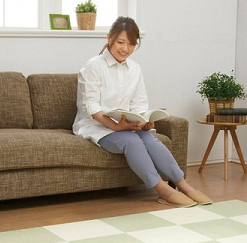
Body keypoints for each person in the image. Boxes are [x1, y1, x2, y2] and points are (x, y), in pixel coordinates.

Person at [73, 16, 212, 208]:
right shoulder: (93, 66)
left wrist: (144, 121)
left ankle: (183, 185)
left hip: (125, 125)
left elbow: (139, 104)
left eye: (131, 44)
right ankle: (163, 191)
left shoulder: (135, 69)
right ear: (109, 38)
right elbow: (92, 106)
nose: (125, 48)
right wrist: (115, 126)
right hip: (96, 127)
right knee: (132, 141)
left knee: (150, 139)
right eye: (121, 42)